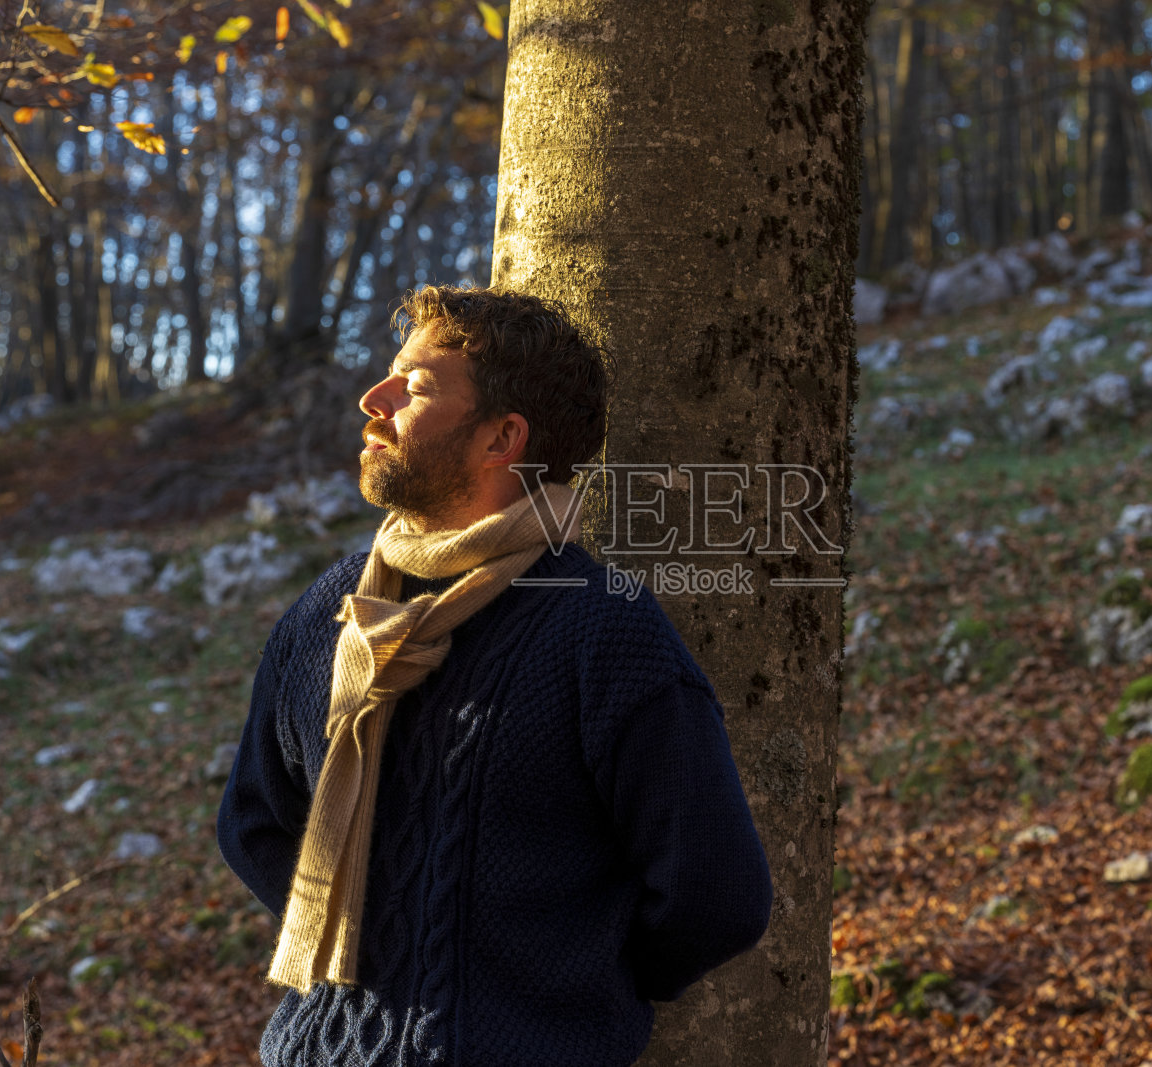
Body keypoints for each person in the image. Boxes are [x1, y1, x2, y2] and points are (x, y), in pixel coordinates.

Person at [216, 284, 774, 1067]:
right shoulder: (329, 613)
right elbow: (253, 822)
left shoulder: (603, 631)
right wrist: (367, 940)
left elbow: (717, 895)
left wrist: (557, 991)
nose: (372, 401)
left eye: (413, 387)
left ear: (501, 438)